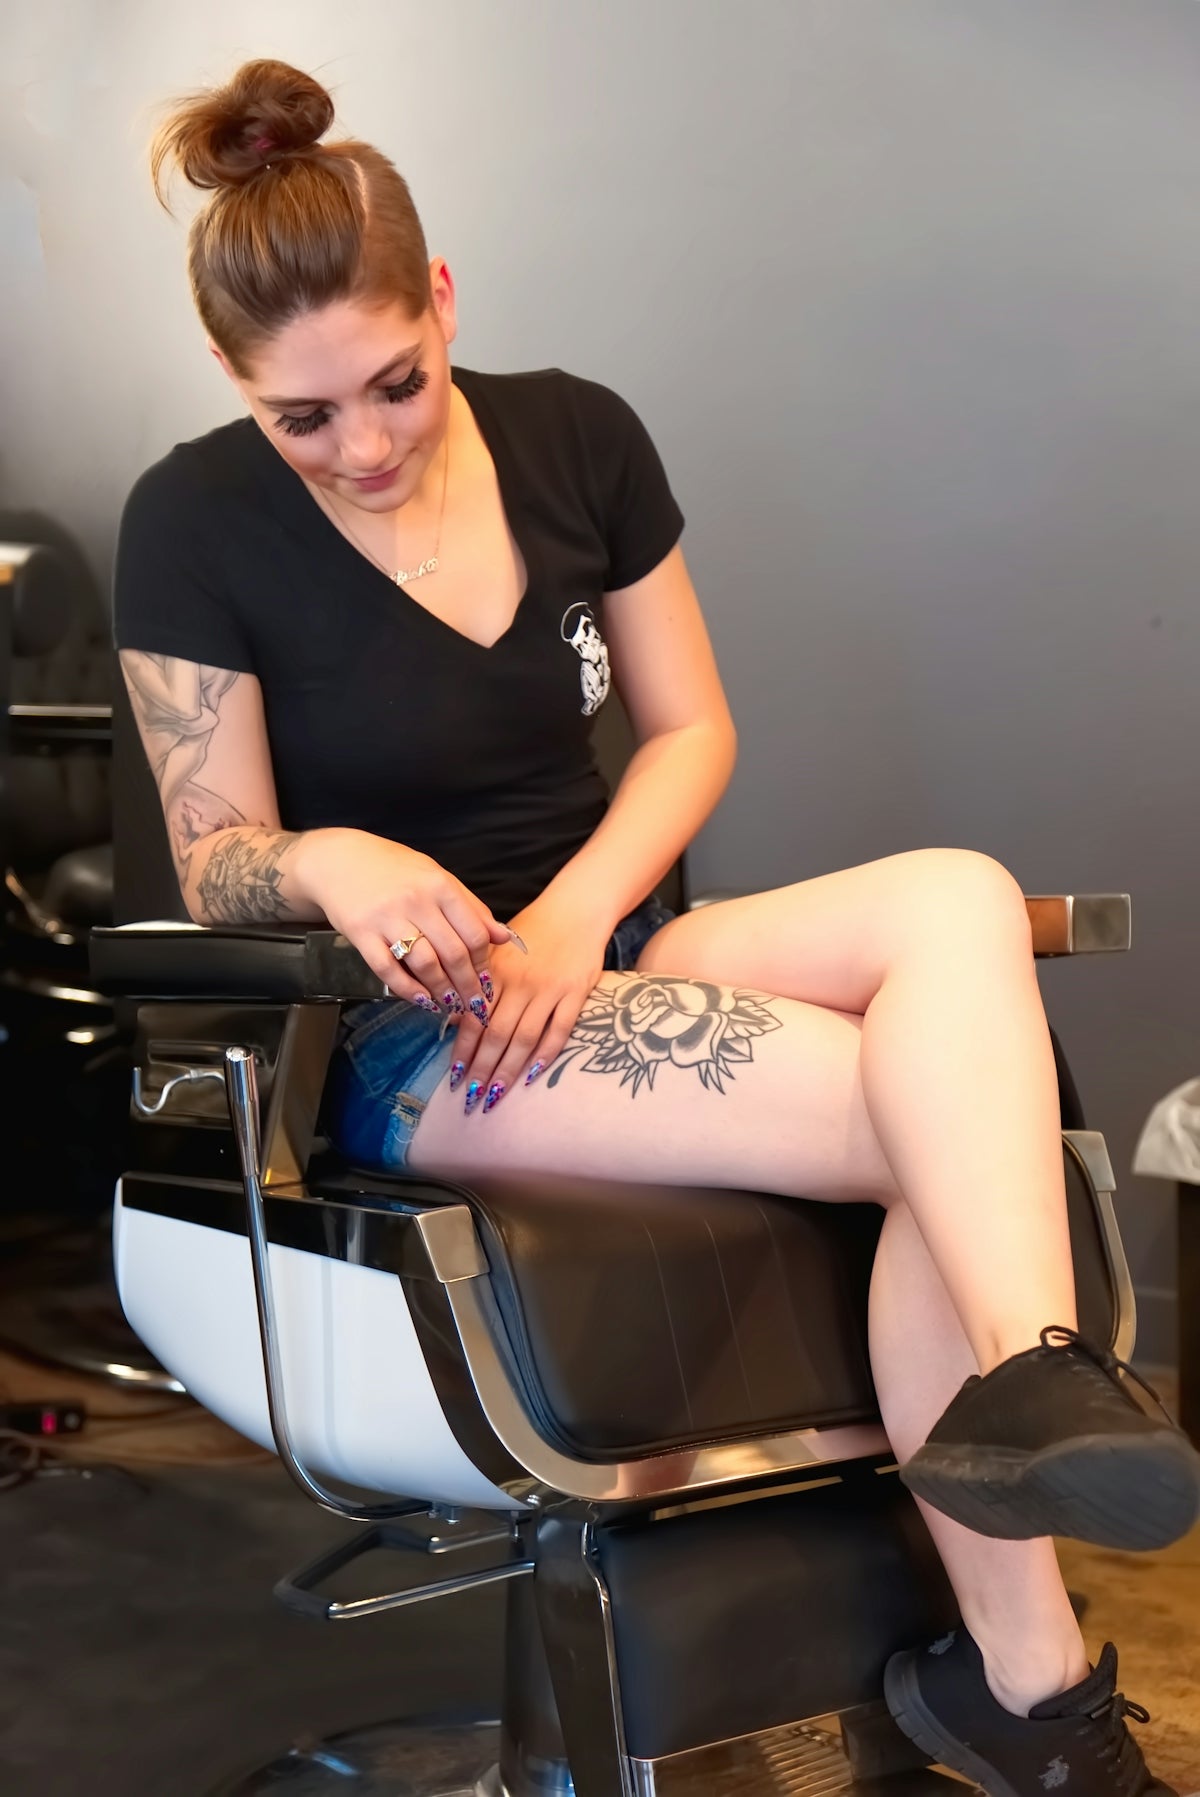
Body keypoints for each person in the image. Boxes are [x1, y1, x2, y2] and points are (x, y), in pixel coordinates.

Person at [114, 58, 1195, 1797]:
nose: (366, 445)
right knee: (939, 1114)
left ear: (442, 298)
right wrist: (327, 857)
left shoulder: (576, 435)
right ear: (241, 392)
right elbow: (213, 852)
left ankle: (1031, 1381)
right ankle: (1034, 1679)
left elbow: (689, 727)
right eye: (302, 420)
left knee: (960, 899)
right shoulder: (192, 519)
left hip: (599, 942)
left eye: (394, 382)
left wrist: (578, 913)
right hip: (434, 1030)